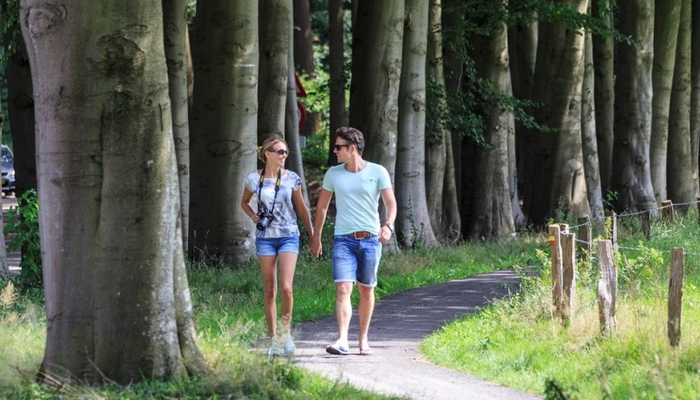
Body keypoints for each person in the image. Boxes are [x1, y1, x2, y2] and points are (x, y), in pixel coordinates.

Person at [309, 127, 397, 356]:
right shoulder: (333, 174)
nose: (334, 150)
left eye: (338, 147)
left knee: (366, 290)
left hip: (370, 240)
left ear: (352, 148)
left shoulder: (378, 172)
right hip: (343, 240)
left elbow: (391, 203)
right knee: (343, 288)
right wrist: (316, 237)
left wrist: (388, 225)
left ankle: (363, 339)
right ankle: (342, 340)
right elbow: (322, 207)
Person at [241, 135, 313, 357]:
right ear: (267, 154)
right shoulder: (253, 179)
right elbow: (244, 201)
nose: (283, 155)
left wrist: (313, 235)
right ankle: (273, 340)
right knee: (270, 290)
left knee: (286, 288)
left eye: (285, 152)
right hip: (265, 238)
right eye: (279, 151)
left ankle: (285, 334)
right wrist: (254, 217)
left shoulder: (292, 178)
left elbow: (301, 208)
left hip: (289, 235)